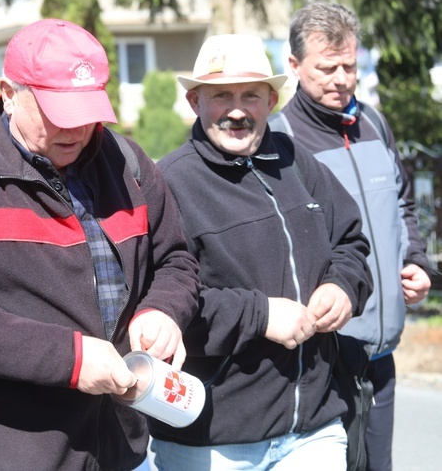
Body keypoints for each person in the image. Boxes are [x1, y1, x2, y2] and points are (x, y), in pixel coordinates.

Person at [0, 18, 200, 470]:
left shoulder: (129, 163)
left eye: (86, 112)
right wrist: (72, 358)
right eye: (57, 113)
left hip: (121, 449)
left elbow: (175, 260)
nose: (75, 131)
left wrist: (162, 309)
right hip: (5, 455)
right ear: (8, 92)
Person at [150, 34, 373, 469]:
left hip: (315, 429)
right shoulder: (169, 182)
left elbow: (351, 242)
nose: (237, 109)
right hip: (213, 443)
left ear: (271, 100)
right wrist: (261, 315)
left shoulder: (296, 160)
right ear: (195, 101)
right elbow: (159, 304)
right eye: (220, 96)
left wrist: (342, 287)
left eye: (250, 94)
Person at [272, 2, 432, 471]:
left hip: (383, 353)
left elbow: (403, 204)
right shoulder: (281, 140)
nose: (341, 79)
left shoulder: (375, 124)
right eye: (327, 68)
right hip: (325, 358)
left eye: (351, 66)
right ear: (294, 65)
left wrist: (418, 262)